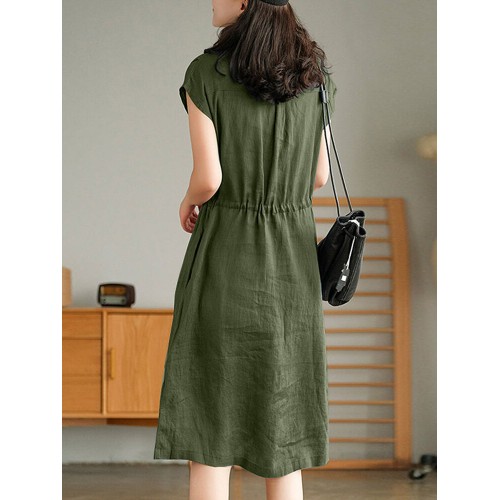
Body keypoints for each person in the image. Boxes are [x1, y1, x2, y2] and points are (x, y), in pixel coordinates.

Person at [154, 1, 338, 499]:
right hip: (292, 263)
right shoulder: (314, 76)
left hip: (225, 255)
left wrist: (187, 201)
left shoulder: (205, 73)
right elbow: (318, 176)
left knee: (209, 425)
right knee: (284, 434)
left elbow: (209, 177)